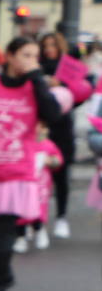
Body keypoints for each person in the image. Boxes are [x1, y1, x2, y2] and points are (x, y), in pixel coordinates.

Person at [0, 36, 61, 291]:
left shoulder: (36, 88)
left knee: (4, 234)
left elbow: (54, 115)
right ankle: (3, 275)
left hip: (17, 172)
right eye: (26, 54)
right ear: (9, 56)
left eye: (35, 56)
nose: (31, 60)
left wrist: (36, 79)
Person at [38, 31, 82, 239]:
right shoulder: (37, 67)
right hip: (40, 127)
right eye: (45, 45)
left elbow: (79, 96)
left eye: (53, 45)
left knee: (62, 176)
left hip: (62, 128)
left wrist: (62, 86)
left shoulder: (67, 69)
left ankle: (62, 217)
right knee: (37, 176)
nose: (49, 49)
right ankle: (34, 222)